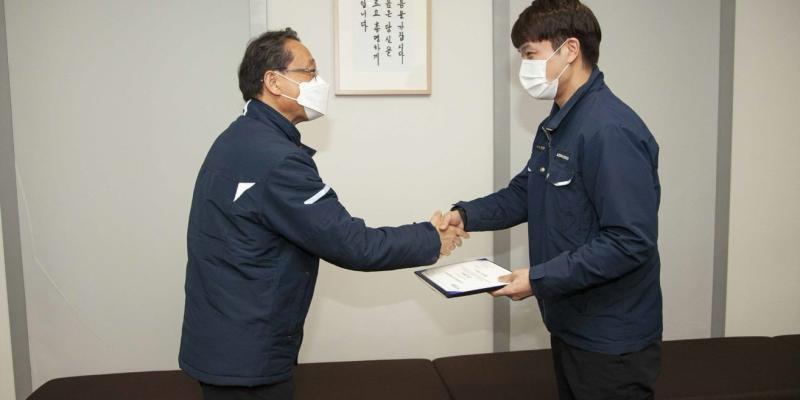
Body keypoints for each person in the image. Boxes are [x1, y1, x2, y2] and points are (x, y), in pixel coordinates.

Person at [179, 28, 468, 400]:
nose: (319, 83)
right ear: (273, 82)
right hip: (246, 356)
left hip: (223, 339)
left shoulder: (237, 137)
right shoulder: (277, 160)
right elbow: (353, 244)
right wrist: (431, 237)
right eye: (309, 72)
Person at [439, 0, 662, 398]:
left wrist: (538, 279)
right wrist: (465, 215)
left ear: (570, 50)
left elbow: (629, 241)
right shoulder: (559, 122)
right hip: (570, 322)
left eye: (530, 54)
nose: (524, 66)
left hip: (610, 336)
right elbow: (526, 193)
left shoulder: (608, 130)